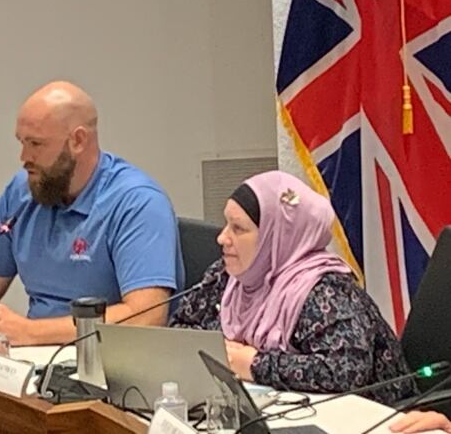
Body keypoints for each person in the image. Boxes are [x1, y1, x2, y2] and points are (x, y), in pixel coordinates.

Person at [0, 81, 183, 346]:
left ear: (77, 141)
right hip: (32, 357)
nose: (24, 156)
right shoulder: (22, 191)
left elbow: (145, 317)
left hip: (108, 362)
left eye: (36, 144)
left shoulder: (138, 202)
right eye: (22, 142)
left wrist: (31, 332)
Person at [169, 170, 416, 405]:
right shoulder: (226, 277)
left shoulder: (325, 291)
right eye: (226, 224)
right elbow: (180, 330)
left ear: (276, 237)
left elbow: (344, 372)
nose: (222, 238)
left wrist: (253, 364)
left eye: (238, 229)